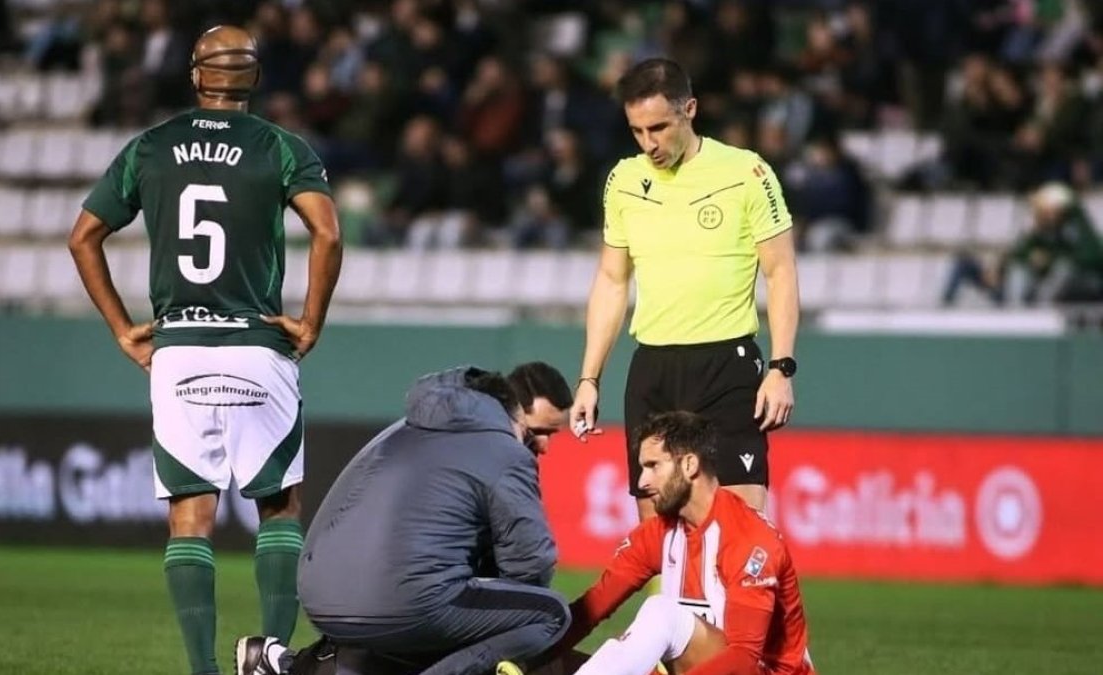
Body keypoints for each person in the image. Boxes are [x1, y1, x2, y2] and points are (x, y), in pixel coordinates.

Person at [67, 25, 342, 675]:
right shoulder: (281, 148)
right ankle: (271, 653)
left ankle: (203, 669)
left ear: (196, 75)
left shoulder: (150, 148)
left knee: (190, 517)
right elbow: (327, 233)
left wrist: (119, 325)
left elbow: (83, 237)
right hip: (257, 344)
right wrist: (310, 321)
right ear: (254, 78)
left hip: (179, 348)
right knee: (279, 504)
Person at [236, 362, 574, 675]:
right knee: (548, 614)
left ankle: (289, 665)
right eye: (539, 432)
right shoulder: (504, 451)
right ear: (512, 411)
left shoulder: (403, 429)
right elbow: (531, 566)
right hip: (398, 601)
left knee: (432, 600)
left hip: (319, 595)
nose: (543, 446)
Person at [570, 57, 800, 517]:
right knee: (658, 540)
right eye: (637, 131)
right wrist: (589, 379)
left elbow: (781, 273)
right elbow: (612, 281)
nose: (648, 143)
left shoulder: (746, 173)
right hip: (652, 369)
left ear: (689, 109)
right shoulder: (624, 181)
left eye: (658, 127)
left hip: (726, 367)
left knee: (741, 529)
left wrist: (781, 367)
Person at [560, 412, 816, 675]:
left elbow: (743, 659)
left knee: (661, 613)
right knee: (557, 666)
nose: (642, 482)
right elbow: (593, 607)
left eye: (653, 466)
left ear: (690, 465)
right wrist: (536, 655)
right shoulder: (659, 533)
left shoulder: (749, 540)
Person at [943, 182, 1103, 306]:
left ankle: (1025, 314)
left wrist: (1047, 261)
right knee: (964, 262)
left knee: (1050, 269)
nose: (1042, 214)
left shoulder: (1070, 236)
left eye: (1048, 209)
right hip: (1011, 288)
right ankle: (944, 310)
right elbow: (1018, 253)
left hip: (1038, 294)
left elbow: (1089, 256)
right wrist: (998, 269)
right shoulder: (1034, 233)